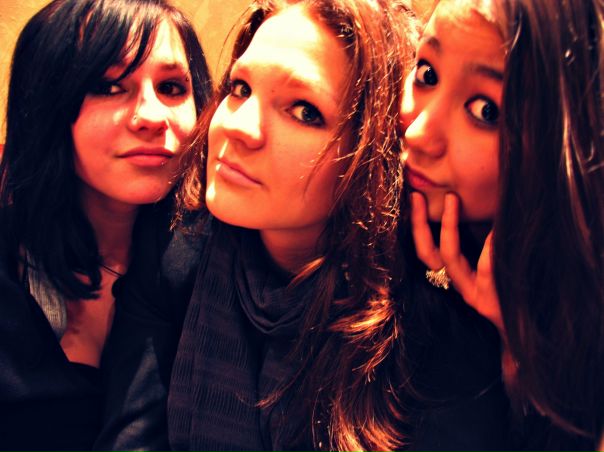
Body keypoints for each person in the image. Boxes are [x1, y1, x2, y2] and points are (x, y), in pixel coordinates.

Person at [102, 0, 514, 450]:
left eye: (304, 111)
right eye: (240, 88)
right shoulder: (176, 256)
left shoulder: (434, 343)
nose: (239, 127)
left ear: (372, 156)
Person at [0, 0, 211, 448]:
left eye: (172, 87)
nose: (152, 116)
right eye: (109, 86)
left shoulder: (214, 263)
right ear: (46, 106)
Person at [401, 0, 604, 449]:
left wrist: (517, 349)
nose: (417, 134)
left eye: (485, 110)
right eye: (427, 74)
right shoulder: (372, 227)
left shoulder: (584, 313)